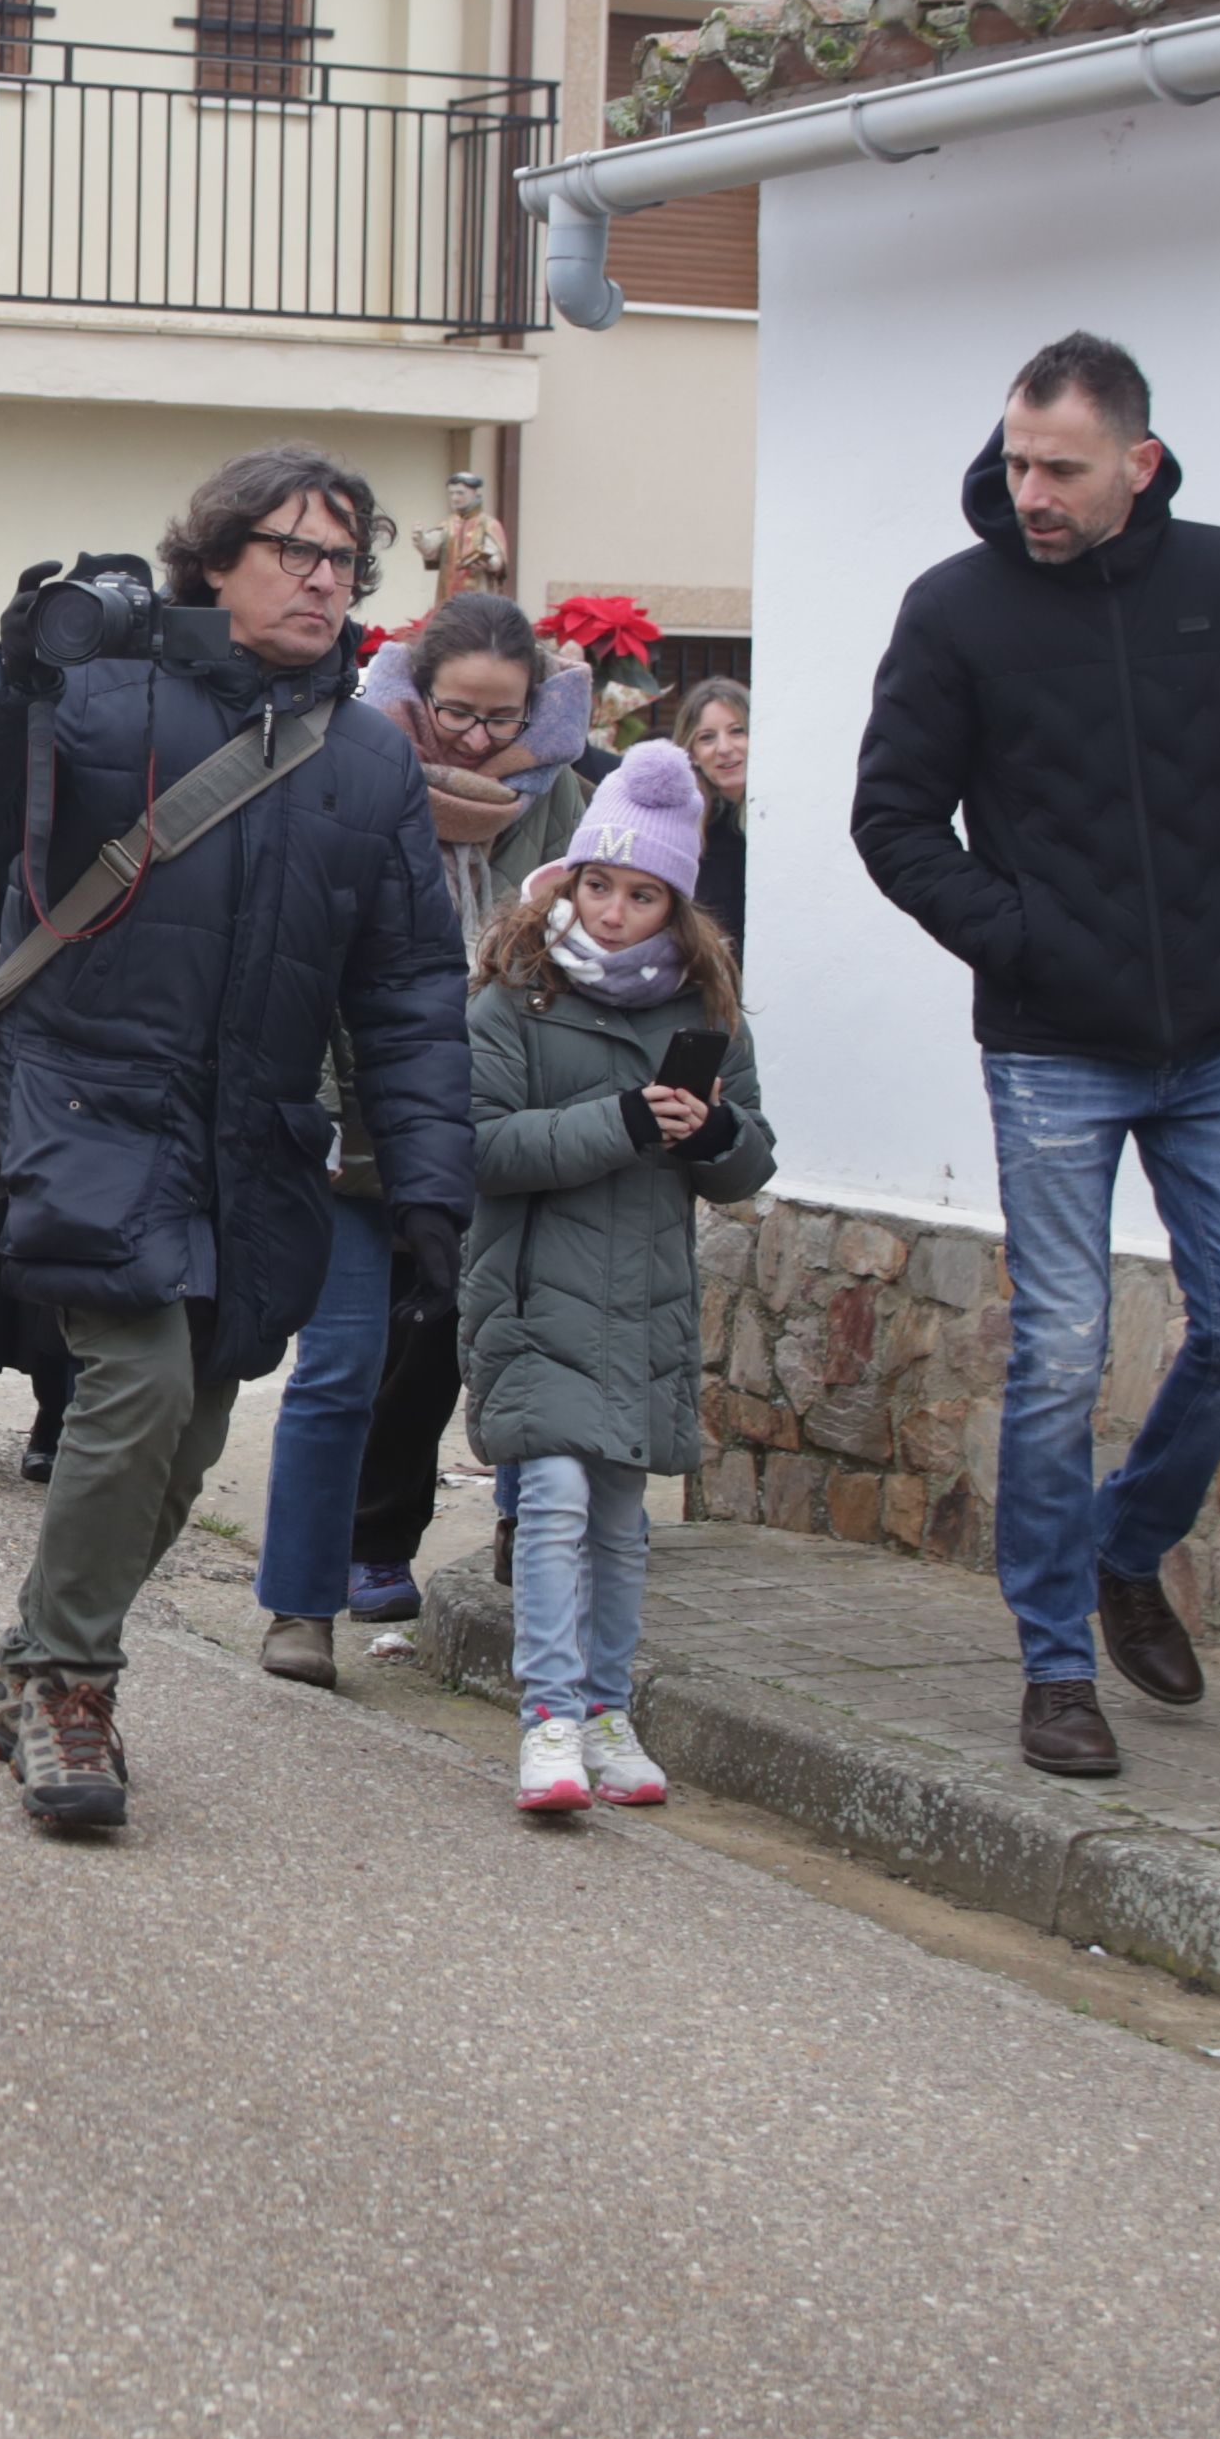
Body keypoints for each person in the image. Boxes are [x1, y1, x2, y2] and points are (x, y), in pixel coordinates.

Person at [0, 445, 471, 1834]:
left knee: (195, 1431)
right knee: (139, 1386)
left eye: (344, 561)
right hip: (91, 1092)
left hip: (259, 1135)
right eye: (293, 550)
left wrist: (433, 1185)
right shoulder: (98, 690)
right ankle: (75, 1690)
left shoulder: (372, 761)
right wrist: (10, 671)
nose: (323, 580)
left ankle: (37, 1655)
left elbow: (407, 988)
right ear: (215, 558)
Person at [851, 331, 1220, 1779]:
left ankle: (1131, 1548)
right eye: (1015, 462)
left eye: (1061, 467)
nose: (1032, 491)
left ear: (1140, 462)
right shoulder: (957, 610)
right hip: (1056, 1046)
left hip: (1215, 1045)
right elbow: (892, 824)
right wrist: (1026, 939)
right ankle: (1057, 1665)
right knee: (1058, 1358)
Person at [462, 740, 771, 1816]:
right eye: (599, 883)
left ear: (676, 904)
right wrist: (625, 1121)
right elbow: (483, 1147)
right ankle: (547, 1719)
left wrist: (710, 1127)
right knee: (547, 1497)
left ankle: (606, 1710)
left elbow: (748, 1166)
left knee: (621, 1519)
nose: (613, 910)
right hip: (534, 1292)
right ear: (572, 878)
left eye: (643, 894)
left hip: (643, 1307)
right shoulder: (514, 997)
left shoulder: (704, 1015)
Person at [319, 590, 596, 1632]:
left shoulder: (564, 792)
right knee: (400, 1330)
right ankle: (370, 1539)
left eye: (502, 718)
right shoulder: (366, 768)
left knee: (488, 1326)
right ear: (416, 691)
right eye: (457, 713)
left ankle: (533, 1531)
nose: (478, 739)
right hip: (386, 1086)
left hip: (512, 1095)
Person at [678, 673, 753, 951]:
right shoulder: (685, 829)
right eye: (707, 738)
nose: (724, 748)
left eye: (737, 731)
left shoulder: (786, 822)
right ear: (693, 753)